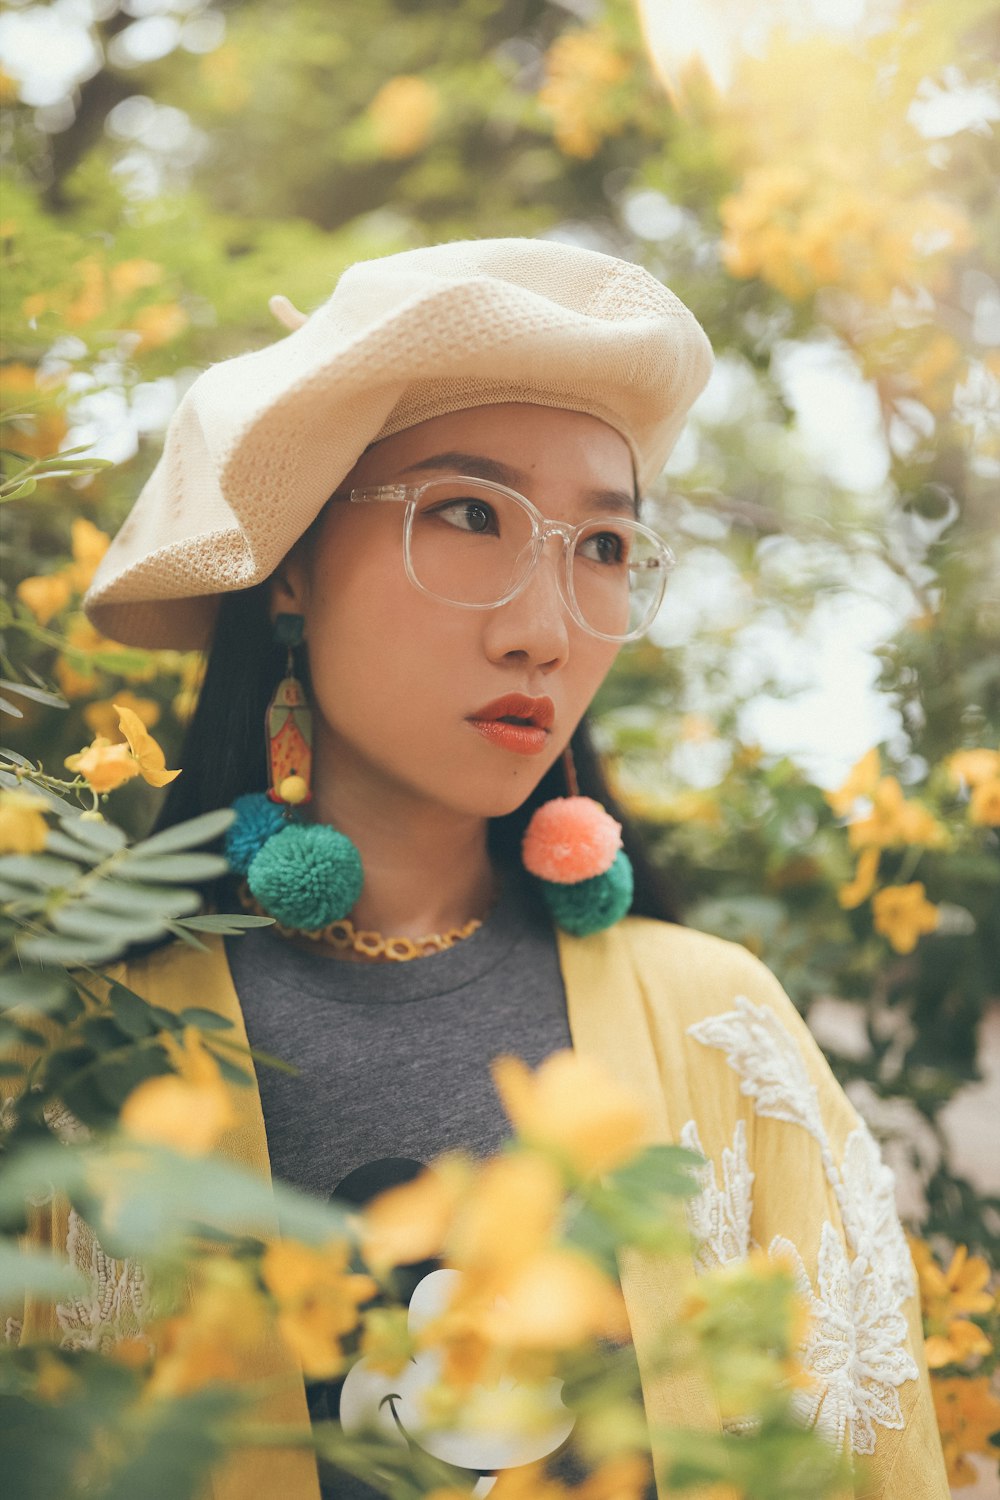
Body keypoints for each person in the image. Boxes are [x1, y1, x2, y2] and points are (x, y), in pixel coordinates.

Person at [72, 239, 947, 1497]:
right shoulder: (93, 1043)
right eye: (469, 514)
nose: (544, 629)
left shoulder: (721, 1022)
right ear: (292, 572)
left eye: (602, 545)